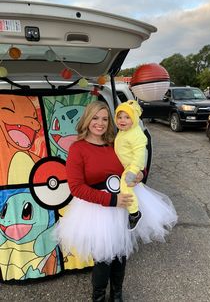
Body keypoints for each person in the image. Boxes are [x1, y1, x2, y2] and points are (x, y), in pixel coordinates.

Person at [54, 100, 178, 302]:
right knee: (103, 258)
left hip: (123, 205)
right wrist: (112, 200)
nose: (100, 123)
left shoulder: (116, 142)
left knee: (121, 254)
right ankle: (99, 297)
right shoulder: (78, 148)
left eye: (104, 119)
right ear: (87, 120)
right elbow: (76, 188)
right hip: (99, 207)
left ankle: (117, 295)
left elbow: (133, 162)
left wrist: (140, 173)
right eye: (95, 118)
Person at [114, 100, 147, 230]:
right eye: (119, 117)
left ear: (134, 119)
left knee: (125, 185)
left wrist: (133, 171)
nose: (122, 120)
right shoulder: (124, 131)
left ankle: (134, 213)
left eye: (127, 117)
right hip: (127, 164)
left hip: (132, 166)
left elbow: (140, 155)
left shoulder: (136, 134)